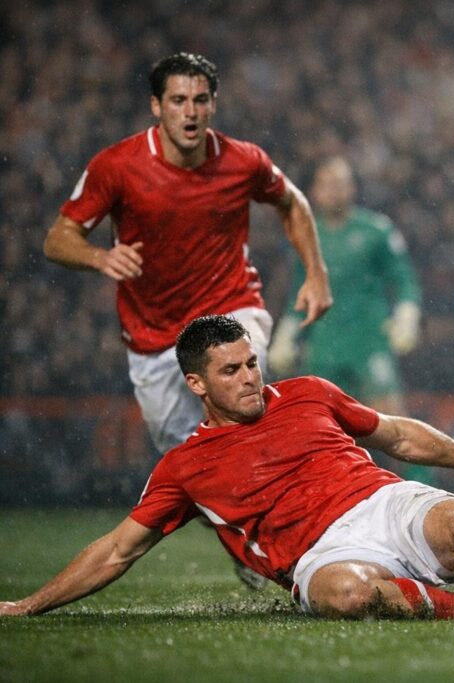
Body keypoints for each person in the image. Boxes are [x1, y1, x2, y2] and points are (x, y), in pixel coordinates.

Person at [0, 315, 454, 621]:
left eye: (251, 363)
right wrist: (29, 605)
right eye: (230, 371)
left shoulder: (308, 392)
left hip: (381, 502)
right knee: (348, 596)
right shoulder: (184, 467)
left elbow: (396, 435)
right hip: (321, 555)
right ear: (196, 384)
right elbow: (117, 551)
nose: (249, 377)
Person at [43, 52, 333, 457]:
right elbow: (58, 238)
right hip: (154, 334)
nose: (190, 112)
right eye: (178, 100)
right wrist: (100, 258)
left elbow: (292, 202)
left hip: (231, 306)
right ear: (156, 106)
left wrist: (316, 274)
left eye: (200, 100)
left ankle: (283, 475)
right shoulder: (117, 166)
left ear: (213, 104)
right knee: (189, 460)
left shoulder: (243, 160)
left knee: (246, 420)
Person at [268, 156, 420, 417]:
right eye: (327, 184)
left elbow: (404, 280)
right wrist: (286, 334)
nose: (334, 191)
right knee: (318, 423)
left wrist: (407, 316)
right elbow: (299, 294)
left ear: (352, 188)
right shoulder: (305, 235)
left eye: (340, 183)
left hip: (370, 342)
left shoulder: (377, 230)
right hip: (324, 347)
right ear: (314, 191)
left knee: (390, 420)